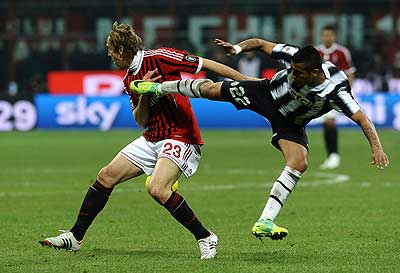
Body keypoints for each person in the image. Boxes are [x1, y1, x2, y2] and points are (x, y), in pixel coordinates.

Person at [131, 38, 389, 240]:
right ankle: (157, 88)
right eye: (293, 70)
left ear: (314, 73)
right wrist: (237, 48)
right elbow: (261, 44)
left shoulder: (336, 90)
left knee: (299, 163)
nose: (293, 75)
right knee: (210, 89)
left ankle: (265, 221)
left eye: (298, 73)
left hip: (291, 122)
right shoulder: (293, 56)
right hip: (265, 94)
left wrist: (377, 148)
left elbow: (362, 119)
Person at [39, 22, 251, 259]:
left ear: (120, 50)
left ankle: (205, 237)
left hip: (180, 135)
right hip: (152, 137)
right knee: (106, 176)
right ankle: (75, 237)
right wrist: (144, 95)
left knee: (157, 188)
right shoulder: (129, 78)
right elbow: (141, 120)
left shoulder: (160, 57)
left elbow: (206, 64)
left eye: (110, 50)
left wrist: (249, 83)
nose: (109, 54)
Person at [316, 25, 356, 169]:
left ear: (334, 37)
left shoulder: (342, 52)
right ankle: (330, 155)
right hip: (319, 93)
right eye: (324, 35)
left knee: (330, 121)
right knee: (325, 123)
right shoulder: (316, 52)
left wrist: (347, 91)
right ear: (321, 36)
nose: (327, 38)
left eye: (329, 35)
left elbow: (350, 73)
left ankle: (334, 156)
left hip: (336, 93)